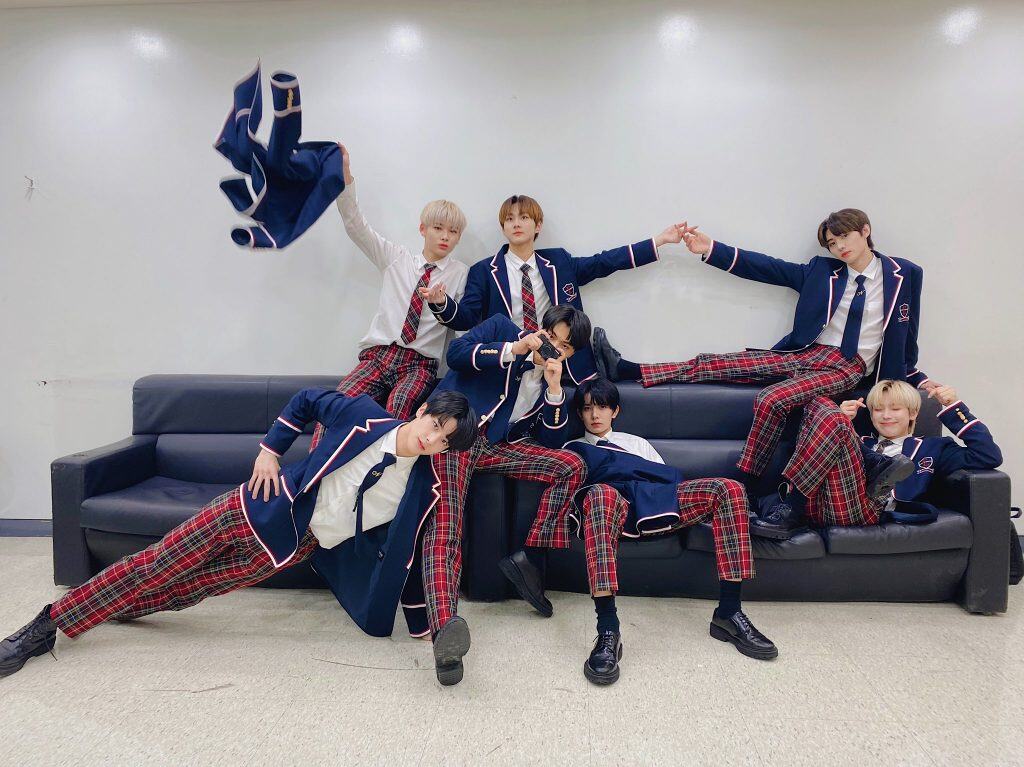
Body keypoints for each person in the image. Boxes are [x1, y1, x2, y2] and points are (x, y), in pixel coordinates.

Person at [0, 389, 478, 681]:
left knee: (186, 592)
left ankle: (106, 606)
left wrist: (425, 625)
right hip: (256, 507)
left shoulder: (422, 488)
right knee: (157, 564)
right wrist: (270, 450)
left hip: (289, 548)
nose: (432, 439)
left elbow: (413, 551)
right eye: (435, 425)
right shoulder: (363, 415)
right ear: (421, 411)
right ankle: (46, 626)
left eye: (445, 441)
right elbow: (306, 400)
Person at [563, 378, 777, 684]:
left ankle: (729, 613)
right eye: (587, 409)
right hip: (610, 511)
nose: (595, 415)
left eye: (602, 407)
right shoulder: (574, 449)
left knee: (729, 489)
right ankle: (608, 630)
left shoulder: (636, 444)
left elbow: (666, 482)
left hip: (657, 509)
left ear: (615, 411)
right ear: (579, 414)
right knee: (599, 494)